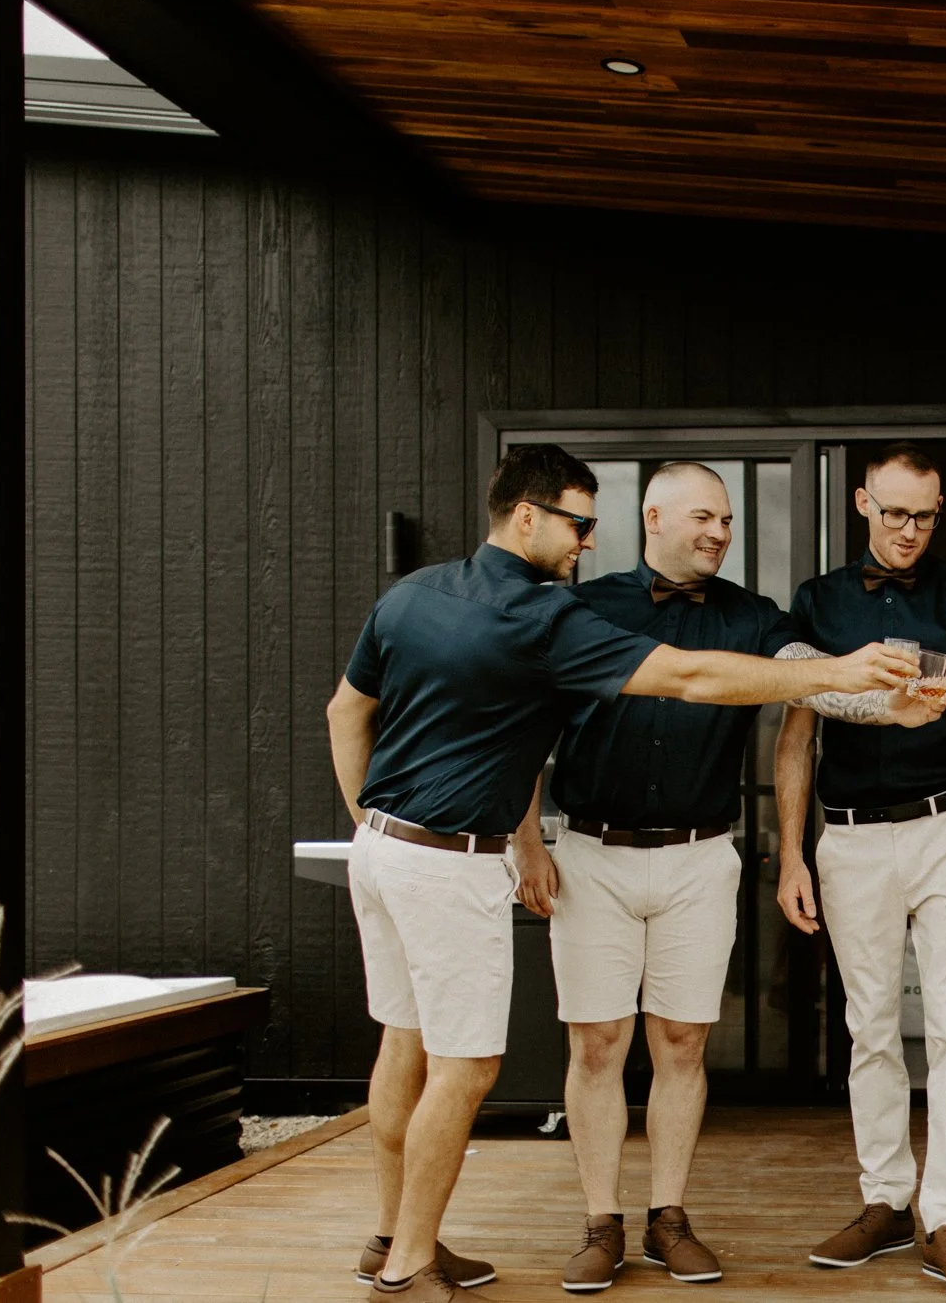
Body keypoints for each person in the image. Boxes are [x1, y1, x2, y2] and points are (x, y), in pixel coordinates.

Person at [327, 445, 914, 1302]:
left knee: (405, 1042)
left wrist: (371, 824)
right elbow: (687, 674)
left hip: (389, 851)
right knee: (467, 1066)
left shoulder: (412, 593)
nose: (587, 542)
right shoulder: (550, 615)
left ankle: (392, 1236)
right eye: (577, 524)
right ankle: (411, 1266)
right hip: (465, 861)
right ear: (526, 516)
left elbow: (347, 710)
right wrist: (842, 667)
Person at [774, 442, 946, 1297]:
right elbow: (797, 732)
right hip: (848, 840)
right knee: (869, 1025)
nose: (910, 530)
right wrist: (791, 852)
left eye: (926, 516)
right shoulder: (818, 600)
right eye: (896, 512)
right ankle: (884, 1198)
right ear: (864, 504)